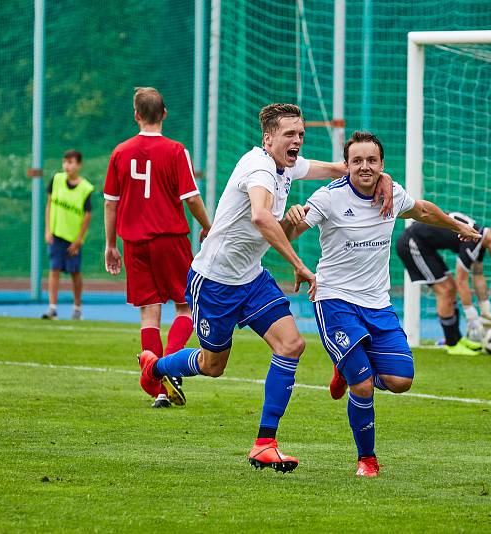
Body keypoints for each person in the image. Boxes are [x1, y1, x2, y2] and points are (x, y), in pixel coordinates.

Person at [138, 106, 395, 472]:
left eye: (301, 134)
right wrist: (297, 263)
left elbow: (337, 169)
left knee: (292, 344)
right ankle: (157, 366)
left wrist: (379, 177)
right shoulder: (258, 168)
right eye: (289, 134)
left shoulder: (286, 164)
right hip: (215, 282)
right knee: (213, 366)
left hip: (252, 279)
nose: (297, 141)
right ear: (268, 138)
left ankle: (264, 442)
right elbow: (261, 215)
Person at [281, 130, 481, 477]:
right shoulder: (328, 198)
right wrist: (291, 220)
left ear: (382, 164)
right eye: (356, 160)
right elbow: (287, 234)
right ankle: (367, 459)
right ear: (347, 165)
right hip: (335, 300)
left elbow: (423, 211)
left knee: (402, 380)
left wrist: (457, 228)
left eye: (371, 160)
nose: (364, 167)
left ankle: (346, 366)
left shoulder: (392, 192)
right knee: (361, 385)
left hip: (378, 304)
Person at [103, 87, 212, 408]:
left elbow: (111, 204)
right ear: (164, 114)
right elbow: (190, 198)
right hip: (170, 237)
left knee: (149, 313)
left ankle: (159, 387)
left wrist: (111, 245)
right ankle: (170, 369)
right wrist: (208, 225)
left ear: (136, 115)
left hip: (134, 242)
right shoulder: (176, 150)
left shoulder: (120, 152)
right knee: (185, 305)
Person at [396, 212, 491, 356]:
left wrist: (485, 307)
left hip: (425, 246)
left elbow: (478, 275)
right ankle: (451, 344)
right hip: (412, 243)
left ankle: (457, 339)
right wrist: (471, 316)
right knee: (446, 290)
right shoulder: (472, 241)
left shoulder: (479, 239)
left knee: (450, 288)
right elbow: (462, 280)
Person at [42, 150, 94, 321]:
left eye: (71, 162)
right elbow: (49, 204)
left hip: (73, 239)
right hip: (56, 235)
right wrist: (48, 229)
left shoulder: (85, 188)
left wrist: (79, 240)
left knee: (75, 272)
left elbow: (87, 215)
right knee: (54, 269)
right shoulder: (56, 180)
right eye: (65, 162)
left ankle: (77, 308)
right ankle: (52, 308)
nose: (67, 165)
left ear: (79, 165)